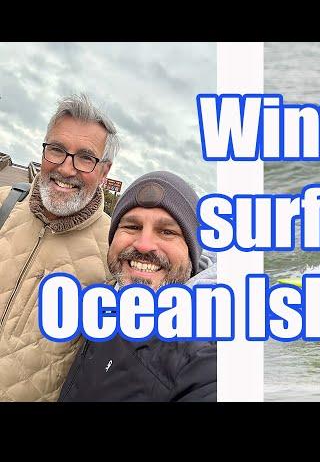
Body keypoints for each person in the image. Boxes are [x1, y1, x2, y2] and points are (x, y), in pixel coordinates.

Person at [58, 171, 217, 402]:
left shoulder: (201, 356)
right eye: (132, 226)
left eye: (167, 231)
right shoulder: (106, 301)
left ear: (192, 253)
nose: (143, 245)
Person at [0, 94, 119, 401]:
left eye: (85, 157)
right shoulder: (3, 202)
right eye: (57, 150)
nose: (67, 169)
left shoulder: (114, 251)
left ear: (104, 172)